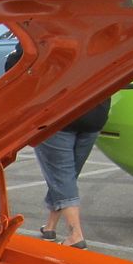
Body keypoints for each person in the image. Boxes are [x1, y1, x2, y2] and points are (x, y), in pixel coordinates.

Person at [32, 96, 110, 248]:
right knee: (66, 176)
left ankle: (75, 235)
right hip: (95, 114)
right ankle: (50, 227)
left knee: (62, 176)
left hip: (57, 115)